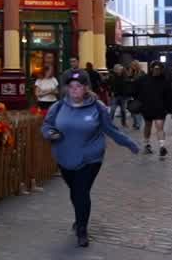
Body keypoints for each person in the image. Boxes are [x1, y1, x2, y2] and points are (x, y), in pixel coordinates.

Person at [42, 69, 139, 247]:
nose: (74, 90)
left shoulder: (98, 107)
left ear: (86, 88)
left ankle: (82, 229)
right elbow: (47, 125)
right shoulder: (58, 107)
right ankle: (80, 217)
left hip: (90, 158)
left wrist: (128, 143)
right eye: (71, 87)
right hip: (65, 156)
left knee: (80, 191)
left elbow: (110, 129)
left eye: (78, 87)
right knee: (75, 191)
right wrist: (50, 133)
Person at [135, 62, 172, 157]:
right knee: (148, 126)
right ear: (152, 68)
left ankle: (162, 146)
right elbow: (136, 91)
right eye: (155, 68)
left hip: (160, 108)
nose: (157, 70)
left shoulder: (165, 81)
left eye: (159, 69)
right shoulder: (143, 79)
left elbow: (170, 97)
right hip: (147, 107)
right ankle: (146, 144)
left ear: (162, 70)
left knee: (159, 127)